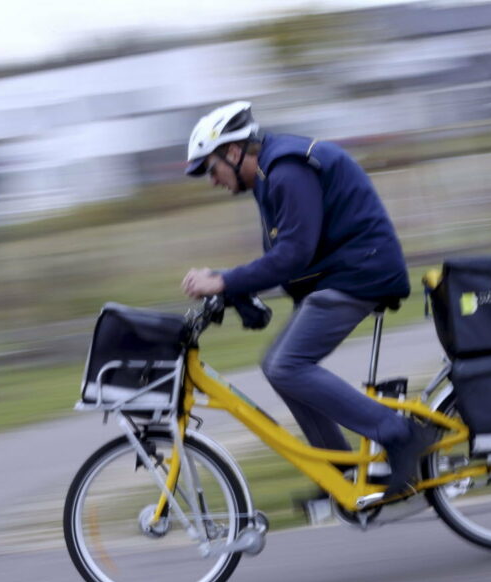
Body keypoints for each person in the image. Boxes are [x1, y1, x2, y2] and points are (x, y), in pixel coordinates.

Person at [180, 100, 432, 504]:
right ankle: (336, 473)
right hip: (341, 275)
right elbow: (287, 261)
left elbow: (293, 256)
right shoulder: (271, 173)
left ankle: (398, 434)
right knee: (276, 364)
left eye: (211, 168)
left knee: (287, 364)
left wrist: (225, 280)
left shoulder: (287, 170)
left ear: (233, 151)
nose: (212, 180)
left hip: (358, 276)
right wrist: (235, 290)